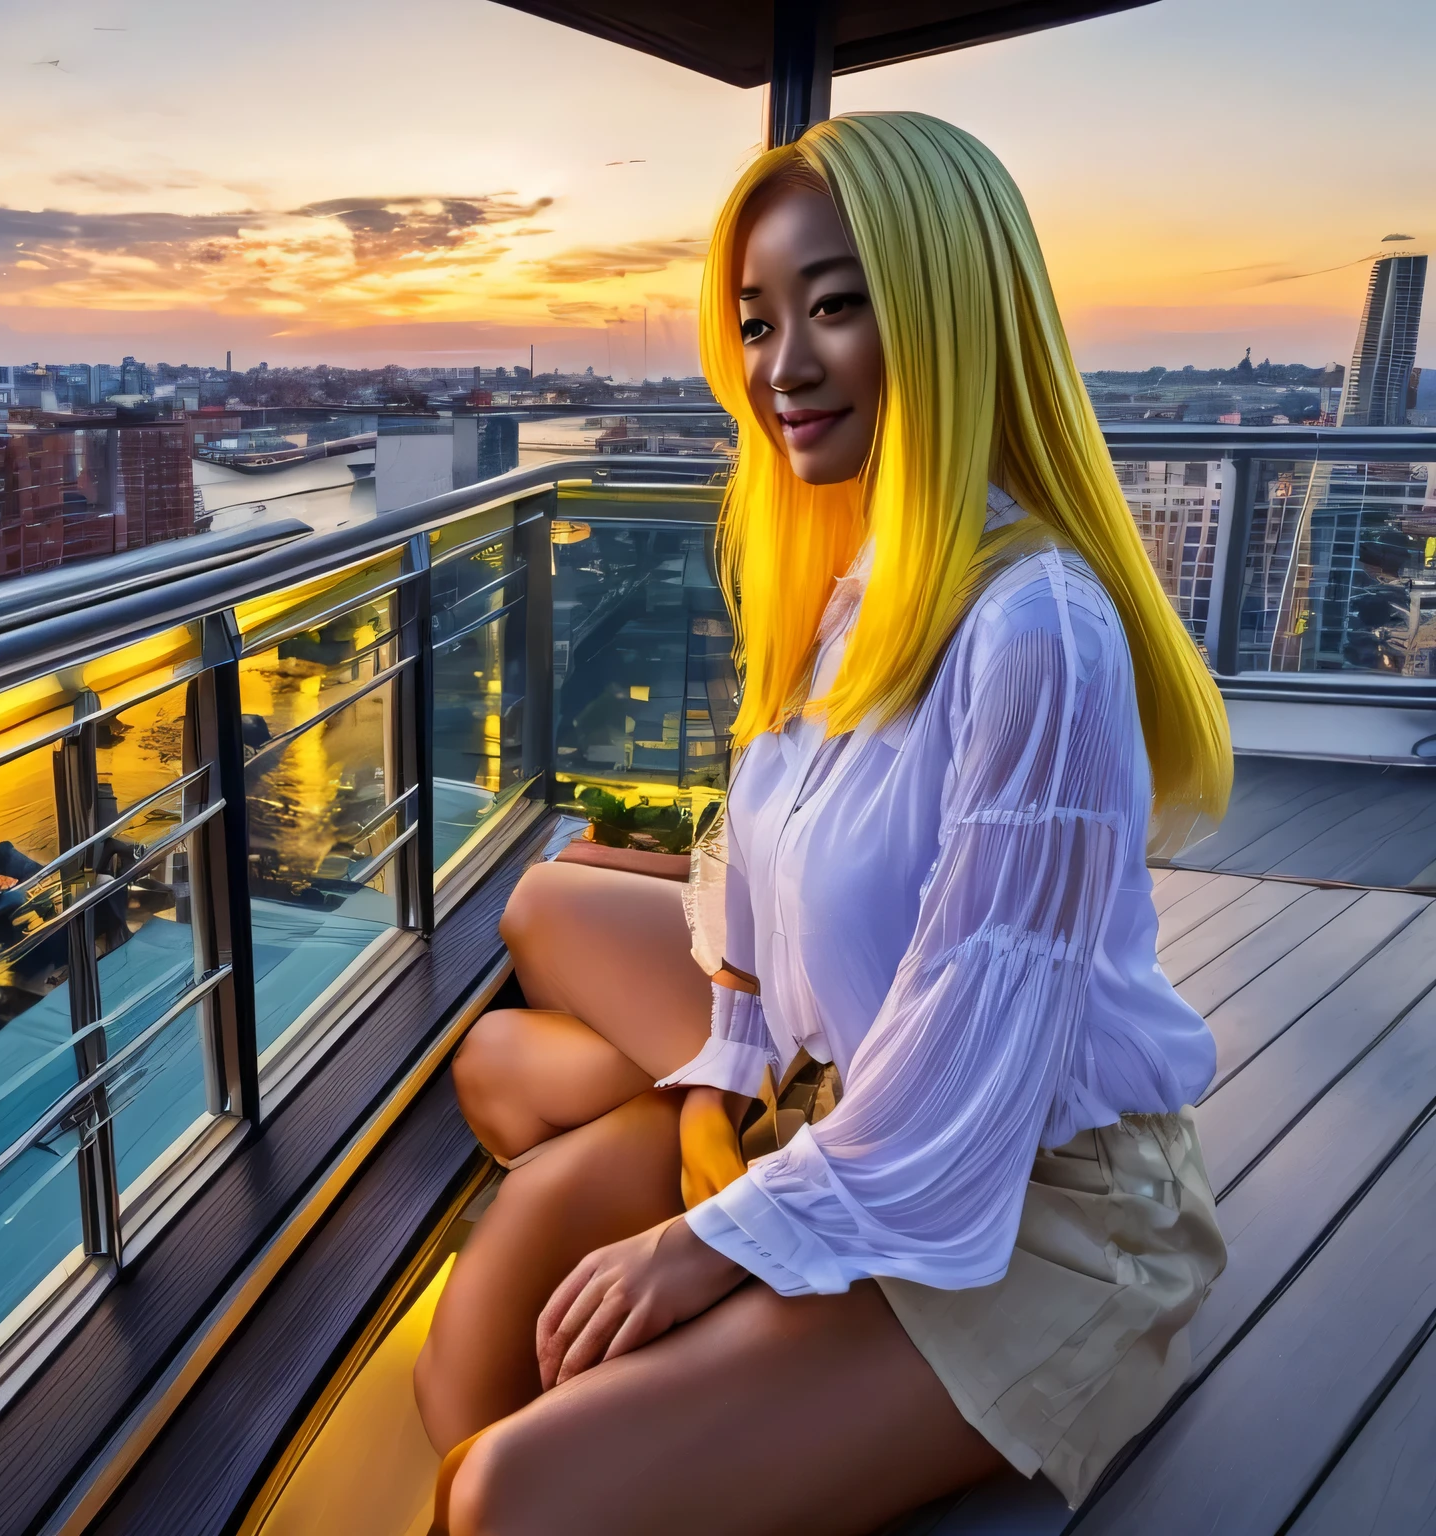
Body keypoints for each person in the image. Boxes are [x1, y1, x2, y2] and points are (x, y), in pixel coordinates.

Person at [413, 112, 1231, 1536]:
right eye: (756, 320)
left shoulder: (1035, 628)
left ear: (950, 314)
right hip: (848, 1098)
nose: (783, 367)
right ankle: (569, 1096)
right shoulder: (845, 579)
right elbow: (757, 917)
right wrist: (726, 1098)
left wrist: (710, 1236)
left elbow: (972, 1067)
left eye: (838, 307)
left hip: (1041, 1200)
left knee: (507, 1494)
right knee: (470, 1366)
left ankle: (557, 1096)